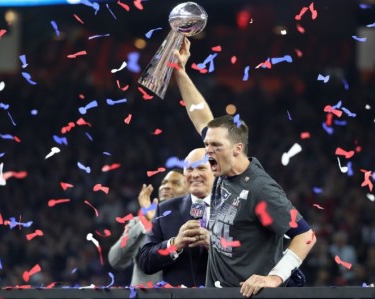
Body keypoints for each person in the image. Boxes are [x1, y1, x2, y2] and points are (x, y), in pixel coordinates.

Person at [173, 38, 316, 297]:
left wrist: (274, 278)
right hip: (216, 293)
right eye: (206, 144)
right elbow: (202, 118)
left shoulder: (261, 189)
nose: (207, 151)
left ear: (237, 149)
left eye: (215, 145)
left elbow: (306, 236)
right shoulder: (222, 171)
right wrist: (180, 72)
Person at [138, 148, 214, 287]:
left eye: (201, 168)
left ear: (215, 170)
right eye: (189, 169)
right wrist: (174, 245)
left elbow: (247, 258)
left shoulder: (234, 206)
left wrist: (215, 246)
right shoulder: (165, 209)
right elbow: (145, 261)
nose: (195, 174)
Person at [108, 170, 188, 286]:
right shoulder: (138, 222)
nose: (166, 186)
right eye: (164, 182)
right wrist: (146, 223)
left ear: (189, 191)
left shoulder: (192, 224)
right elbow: (116, 261)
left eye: (176, 183)